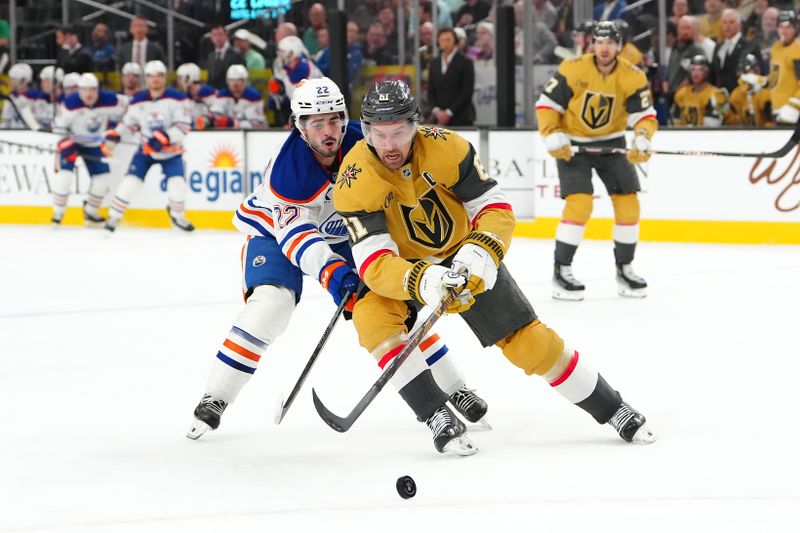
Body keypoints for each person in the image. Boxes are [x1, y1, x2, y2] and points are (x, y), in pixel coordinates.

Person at [333, 79, 657, 455]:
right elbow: (374, 261)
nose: (389, 145)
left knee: (528, 342)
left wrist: (482, 249)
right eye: (378, 133)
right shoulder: (352, 179)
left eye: (399, 131)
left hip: (463, 253)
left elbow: (494, 206)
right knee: (371, 317)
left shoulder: (446, 147)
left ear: (415, 124)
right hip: (407, 269)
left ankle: (612, 406)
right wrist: (422, 279)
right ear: (366, 129)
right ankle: (436, 412)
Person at [187, 78, 488, 451]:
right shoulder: (288, 172)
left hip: (347, 231)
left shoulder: (369, 140)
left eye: (334, 120)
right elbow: (298, 237)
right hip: (278, 236)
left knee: (391, 310)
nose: (329, 132)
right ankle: (216, 395)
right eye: (316, 123)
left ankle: (453, 389)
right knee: (271, 305)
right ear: (299, 126)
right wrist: (334, 275)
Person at [535, 22, 656, 301]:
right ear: (592, 44)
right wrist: (551, 134)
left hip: (611, 144)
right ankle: (561, 270)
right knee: (580, 204)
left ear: (619, 45)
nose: (604, 48)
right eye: (599, 42)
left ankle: (625, 268)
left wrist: (642, 138)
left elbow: (644, 116)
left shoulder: (633, 75)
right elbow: (547, 105)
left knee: (628, 204)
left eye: (610, 43)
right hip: (573, 146)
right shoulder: (573, 68)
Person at [103, 60, 194, 233]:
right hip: (146, 151)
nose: (155, 80)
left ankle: (177, 216)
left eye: (159, 76)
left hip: (170, 152)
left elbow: (183, 126)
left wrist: (164, 137)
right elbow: (128, 123)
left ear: (164, 78)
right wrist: (116, 134)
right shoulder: (137, 101)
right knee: (130, 182)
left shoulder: (178, 98)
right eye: (151, 76)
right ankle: (113, 217)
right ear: (146, 79)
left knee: (177, 185)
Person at [50, 73, 128, 226]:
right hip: (73, 142)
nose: (89, 94)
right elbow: (58, 127)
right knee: (64, 176)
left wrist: (116, 130)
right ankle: (58, 213)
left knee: (103, 179)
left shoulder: (110, 99)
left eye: (92, 89)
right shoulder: (70, 103)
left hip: (94, 144)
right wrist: (64, 142)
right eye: (85, 90)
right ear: (78, 90)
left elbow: (132, 108)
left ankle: (91, 211)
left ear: (98, 89)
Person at [269, 36, 322, 126]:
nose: (280, 54)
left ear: (291, 53)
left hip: (315, 113)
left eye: (282, 51)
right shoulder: (287, 67)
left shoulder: (302, 68)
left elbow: (298, 99)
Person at [427, 28, 475, 126]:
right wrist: (437, 111)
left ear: (455, 41)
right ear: (438, 42)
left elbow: (467, 91)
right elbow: (430, 90)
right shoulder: (434, 63)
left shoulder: (466, 62)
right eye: (442, 40)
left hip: (461, 117)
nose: (445, 43)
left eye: (448, 39)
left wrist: (449, 112)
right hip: (438, 118)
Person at [671, 54, 729, 126]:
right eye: (693, 69)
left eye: (700, 69)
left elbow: (711, 127)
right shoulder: (681, 94)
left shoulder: (716, 94)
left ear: (707, 71)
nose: (696, 73)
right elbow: (676, 123)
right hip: (684, 135)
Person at [712, 9, 758, 93]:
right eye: (724, 22)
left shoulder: (748, 46)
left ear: (739, 24)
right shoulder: (718, 47)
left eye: (731, 22)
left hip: (741, 96)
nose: (727, 26)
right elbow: (715, 74)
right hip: (721, 97)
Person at [209, 65, 267, 129]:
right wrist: (209, 119)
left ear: (245, 81)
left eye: (239, 80)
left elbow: (256, 124)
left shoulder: (254, 96)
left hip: (253, 136)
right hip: (228, 135)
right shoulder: (223, 95)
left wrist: (233, 123)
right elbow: (215, 114)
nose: (235, 84)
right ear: (228, 81)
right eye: (232, 80)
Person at [769, 10, 800, 124]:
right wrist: (759, 82)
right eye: (781, 26)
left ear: (795, 28)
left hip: (793, 111)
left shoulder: (797, 50)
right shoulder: (775, 48)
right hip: (778, 109)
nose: (784, 31)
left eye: (788, 27)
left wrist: (794, 105)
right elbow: (775, 79)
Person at [725, 53, 772, 125]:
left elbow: (771, 120)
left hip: (765, 131)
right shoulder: (736, 94)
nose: (751, 73)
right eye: (747, 71)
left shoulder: (765, 92)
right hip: (745, 132)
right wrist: (725, 112)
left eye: (755, 69)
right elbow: (735, 122)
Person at [0, 63, 46, 129]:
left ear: (23, 81)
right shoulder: (11, 97)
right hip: (13, 136)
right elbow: (5, 122)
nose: (10, 82)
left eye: (14, 79)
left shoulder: (39, 98)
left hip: (33, 136)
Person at [176, 62, 217, 128]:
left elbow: (218, 116)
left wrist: (207, 119)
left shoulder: (209, 93)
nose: (180, 81)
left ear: (190, 77)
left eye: (181, 77)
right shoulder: (185, 95)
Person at [205, 25, 246, 90]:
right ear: (211, 38)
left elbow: (242, 76)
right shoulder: (211, 56)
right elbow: (210, 79)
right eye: (215, 35)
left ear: (226, 36)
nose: (217, 38)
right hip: (214, 95)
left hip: (231, 93)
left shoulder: (236, 54)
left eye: (220, 34)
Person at [36, 65, 65, 130]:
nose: (41, 84)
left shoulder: (65, 103)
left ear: (55, 82)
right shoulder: (41, 100)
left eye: (44, 81)